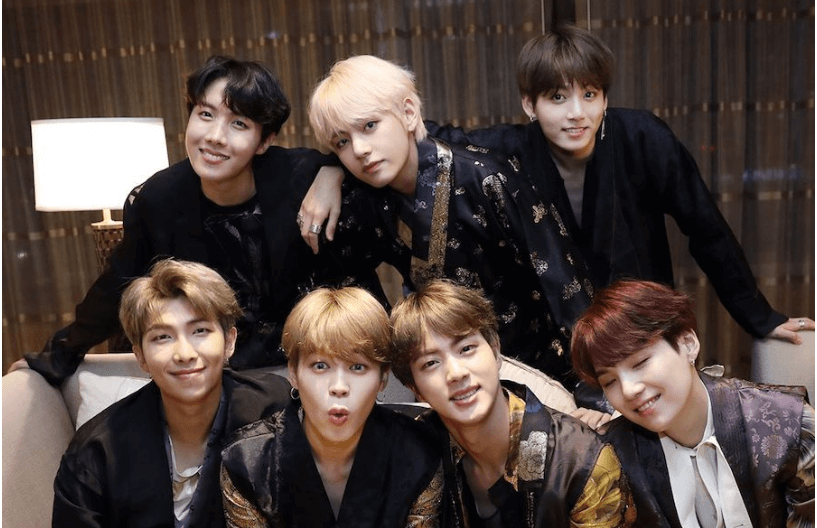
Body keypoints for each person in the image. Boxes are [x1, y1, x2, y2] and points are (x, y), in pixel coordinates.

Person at [301, 24, 814, 345]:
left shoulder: (644, 138)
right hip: (561, 332)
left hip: (642, 320)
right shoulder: (506, 150)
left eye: (590, 95)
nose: (576, 114)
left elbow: (707, 229)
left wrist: (759, 316)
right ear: (530, 104)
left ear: (605, 97)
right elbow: (415, 137)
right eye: (556, 98)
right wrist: (331, 169)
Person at [20, 55, 376, 386]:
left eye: (239, 123)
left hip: (306, 367)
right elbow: (117, 285)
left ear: (264, 141)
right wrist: (58, 354)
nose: (215, 137)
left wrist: (333, 173)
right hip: (212, 376)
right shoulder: (159, 199)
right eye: (205, 114)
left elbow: (365, 171)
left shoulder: (298, 178)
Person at [306, 54, 599, 411]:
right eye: (341, 142)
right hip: (446, 380)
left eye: (369, 126)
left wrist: (594, 390)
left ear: (408, 112)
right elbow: (355, 299)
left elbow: (565, 287)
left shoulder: (485, 176)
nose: (360, 150)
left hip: (543, 376)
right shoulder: (363, 202)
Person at [52, 259, 292, 528]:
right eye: (162, 337)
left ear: (229, 341)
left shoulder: (277, 412)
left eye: (200, 331)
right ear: (140, 356)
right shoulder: (95, 453)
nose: (185, 354)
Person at [389, 279, 634, 527]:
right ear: (414, 388)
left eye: (466, 348)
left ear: (495, 351)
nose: (456, 373)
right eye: (430, 363)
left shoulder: (581, 464)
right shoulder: (417, 451)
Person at [571, 279, 815, 527]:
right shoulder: (610, 456)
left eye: (640, 362)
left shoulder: (791, 424)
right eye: (610, 381)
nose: (628, 390)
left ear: (688, 343)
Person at [219, 286, 443, 527]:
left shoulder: (418, 453)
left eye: (357, 367)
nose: (339, 387)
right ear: (293, 373)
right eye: (320, 366)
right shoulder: (248, 463)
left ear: (383, 378)